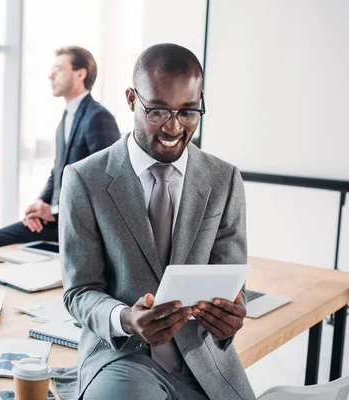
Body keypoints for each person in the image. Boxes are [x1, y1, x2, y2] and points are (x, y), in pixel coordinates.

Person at [58, 43, 255, 400]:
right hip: (122, 354)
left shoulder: (224, 180)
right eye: (159, 112)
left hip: (205, 359)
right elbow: (78, 291)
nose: (174, 128)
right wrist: (125, 319)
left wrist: (233, 314)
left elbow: (232, 280)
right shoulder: (84, 180)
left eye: (189, 112)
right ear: (132, 99)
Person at [0, 46, 120, 250]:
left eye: (58, 69)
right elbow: (58, 172)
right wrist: (39, 204)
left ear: (80, 74)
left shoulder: (98, 117)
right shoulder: (66, 118)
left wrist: (54, 211)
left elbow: (107, 182)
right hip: (58, 217)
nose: (50, 76)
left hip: (81, 223)